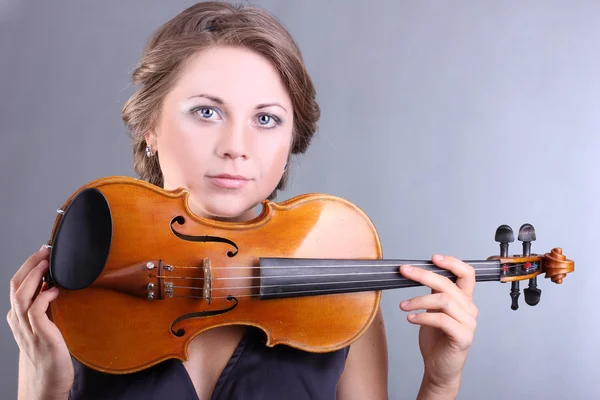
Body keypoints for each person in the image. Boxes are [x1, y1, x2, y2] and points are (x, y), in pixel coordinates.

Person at [7, 2, 479, 399]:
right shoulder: (76, 278)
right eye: (206, 112)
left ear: (292, 136)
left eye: (267, 119)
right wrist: (46, 384)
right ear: (150, 126)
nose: (236, 145)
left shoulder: (340, 287)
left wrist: (439, 381)